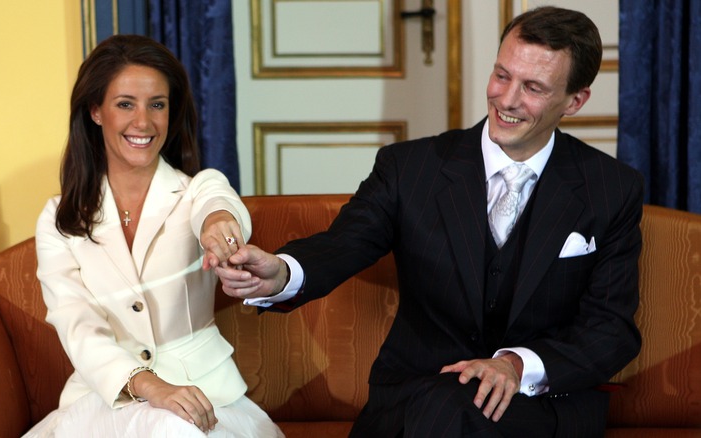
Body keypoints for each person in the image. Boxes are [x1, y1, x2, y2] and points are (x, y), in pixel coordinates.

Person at [216, 6, 642, 437]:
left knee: (458, 412)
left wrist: (515, 365)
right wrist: (282, 273)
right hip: (417, 398)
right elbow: (345, 242)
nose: (507, 99)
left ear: (575, 100)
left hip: (536, 407)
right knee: (445, 407)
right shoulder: (410, 167)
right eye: (501, 75)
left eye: (532, 87)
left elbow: (611, 330)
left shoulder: (611, 189)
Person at [27, 34, 283, 437]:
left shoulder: (199, 189)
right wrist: (150, 386)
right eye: (125, 104)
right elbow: (77, 324)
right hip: (105, 400)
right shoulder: (57, 219)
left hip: (204, 395)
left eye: (157, 105)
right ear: (96, 111)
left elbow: (219, 205)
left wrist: (220, 228)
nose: (143, 122)